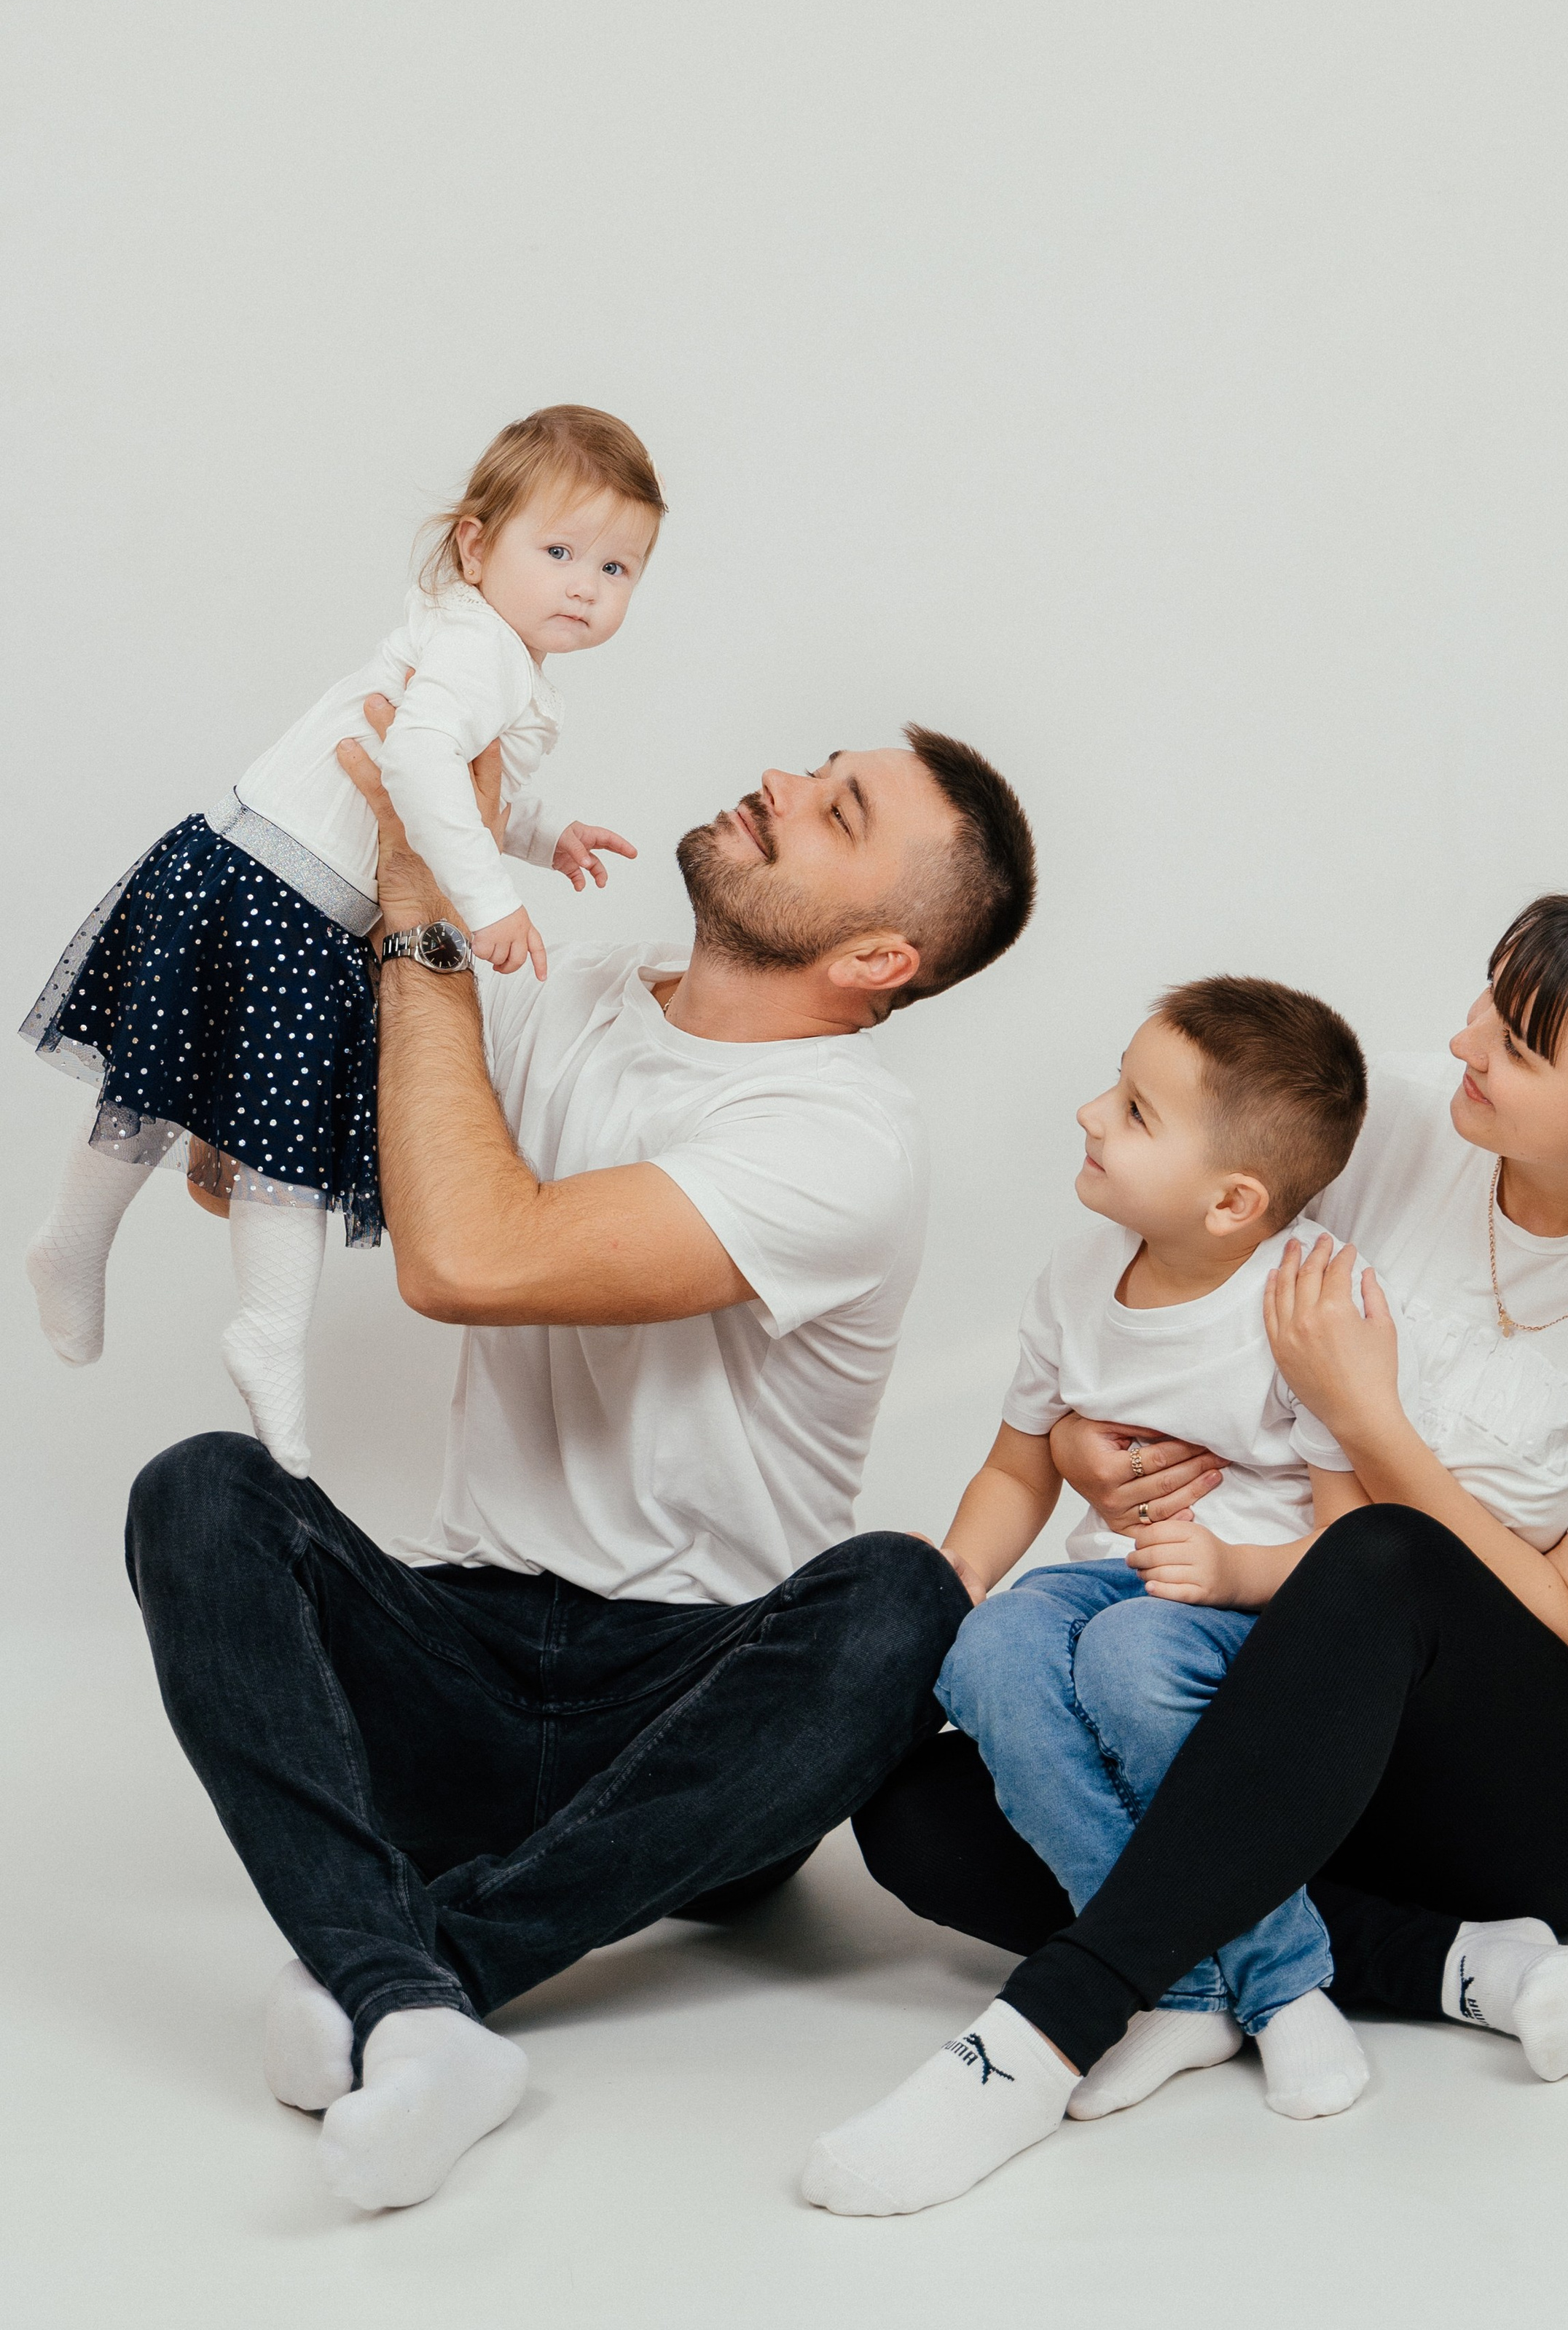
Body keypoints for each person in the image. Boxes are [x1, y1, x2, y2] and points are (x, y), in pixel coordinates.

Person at [121, 703, 1037, 2212]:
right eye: (815, 765)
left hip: (695, 1719)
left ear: (878, 961)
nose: (780, 782)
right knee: (198, 1493)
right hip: (461, 1657)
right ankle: (415, 2007)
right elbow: (246, 1174)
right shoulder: (576, 995)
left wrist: (424, 914)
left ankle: (413, 1974)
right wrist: (340, 862)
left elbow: (471, 1257)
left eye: (838, 812)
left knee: (902, 1593)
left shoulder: (846, 1139)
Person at [826, 895, 1568, 2216]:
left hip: (1533, 1784)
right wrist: (1073, 1440)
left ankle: (1049, 2030)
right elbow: (1181, 1253)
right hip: (1290, 1732)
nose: (1466, 1036)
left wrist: (1369, 1421)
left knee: (1384, 1554)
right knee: (918, 1816)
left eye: (1517, 1044)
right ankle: (1440, 1967)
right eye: (1485, 996)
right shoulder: (1410, 1118)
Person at [22, 404, 659, 1474]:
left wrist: (546, 832)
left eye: (620, 567)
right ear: (474, 543)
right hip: (277, 882)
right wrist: (489, 899)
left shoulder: (487, 649)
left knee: (218, 1101)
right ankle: (216, 1306)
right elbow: (415, 767)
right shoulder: (481, 651)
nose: (588, 585)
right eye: (559, 551)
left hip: (274, 877)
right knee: (265, 1122)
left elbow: (456, 778)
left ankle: (127, 1265)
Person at [911, 979, 1371, 2175]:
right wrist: (945, 1588)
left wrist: (1231, 1567)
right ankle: (1173, 1979)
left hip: (1248, 1603)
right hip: (1110, 1576)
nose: (1088, 1114)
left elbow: (1360, 1546)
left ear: (1234, 1200)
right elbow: (1017, 1471)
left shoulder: (1302, 1299)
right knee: (991, 1648)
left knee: (1131, 1656)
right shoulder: (1077, 1277)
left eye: (1132, 1108)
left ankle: (1281, 1987)